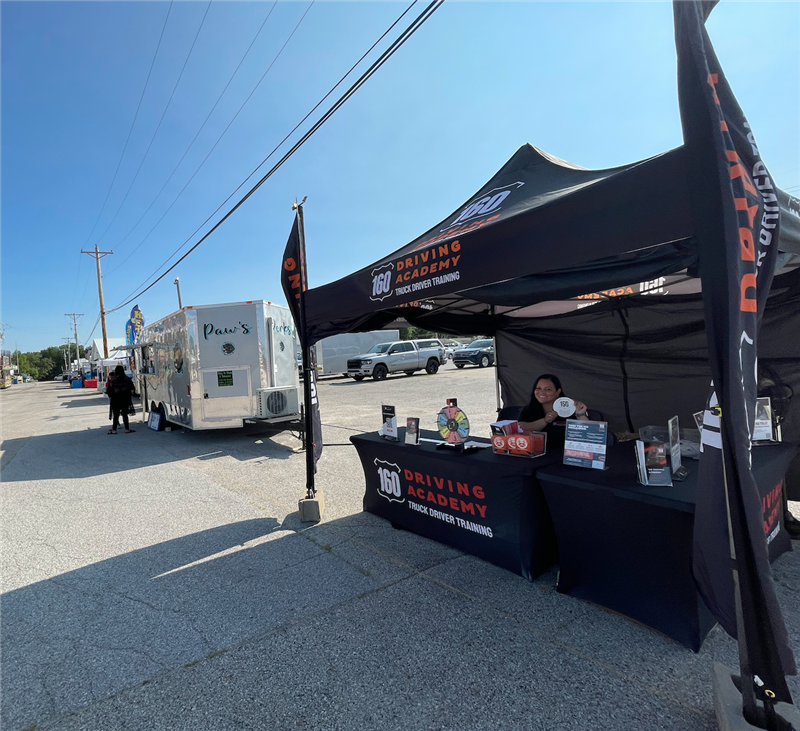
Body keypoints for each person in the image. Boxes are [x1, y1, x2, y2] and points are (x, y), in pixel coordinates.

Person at [517, 373, 589, 448]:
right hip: (535, 453)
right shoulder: (528, 409)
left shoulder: (571, 408)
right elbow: (521, 428)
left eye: (548, 389)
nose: (542, 392)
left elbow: (588, 433)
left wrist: (581, 414)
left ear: (558, 392)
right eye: (538, 388)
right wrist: (545, 420)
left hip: (565, 453)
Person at [106, 364, 136, 434]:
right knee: (125, 414)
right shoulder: (127, 379)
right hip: (125, 399)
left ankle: (114, 430)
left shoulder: (113, 380)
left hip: (115, 400)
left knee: (116, 415)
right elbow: (132, 388)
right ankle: (127, 429)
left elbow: (109, 391)